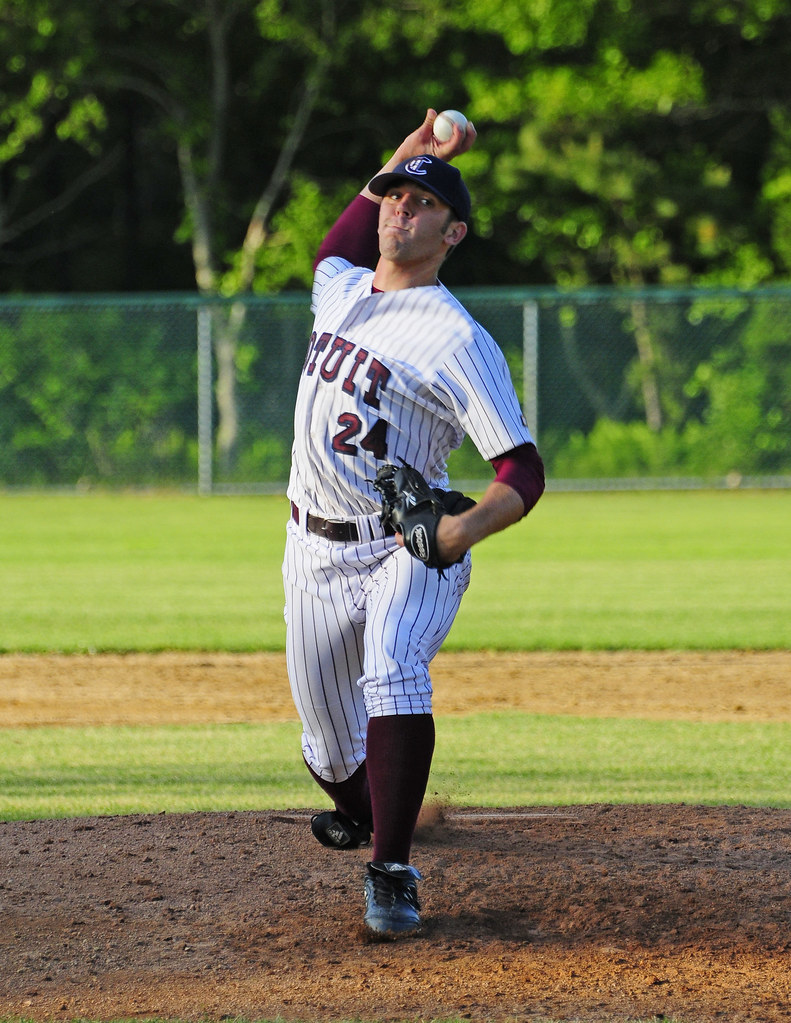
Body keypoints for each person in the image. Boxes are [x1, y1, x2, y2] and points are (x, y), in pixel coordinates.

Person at [282, 108, 545, 938]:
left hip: (406, 543)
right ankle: (375, 811)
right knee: (327, 753)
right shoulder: (339, 288)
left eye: (421, 203)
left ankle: (391, 872)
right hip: (310, 551)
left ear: (452, 231)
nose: (399, 207)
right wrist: (417, 150)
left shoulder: (457, 339)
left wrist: (456, 534)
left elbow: (522, 472)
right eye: (394, 198)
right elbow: (343, 228)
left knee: (393, 667)